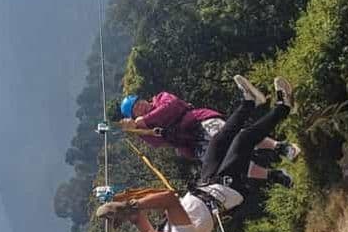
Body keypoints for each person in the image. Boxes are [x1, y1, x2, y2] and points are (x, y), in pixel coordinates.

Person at [97, 76, 296, 232]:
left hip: (208, 183)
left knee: (219, 139)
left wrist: (119, 208)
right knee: (242, 141)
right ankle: (284, 107)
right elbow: (169, 199)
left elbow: (138, 217)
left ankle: (249, 102)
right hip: (227, 189)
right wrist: (130, 205)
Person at [118, 75, 299, 184]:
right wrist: (136, 130)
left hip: (199, 121)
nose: (140, 107)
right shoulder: (147, 128)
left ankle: (280, 147)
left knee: (238, 136)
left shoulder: (160, 99)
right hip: (192, 144)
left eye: (138, 103)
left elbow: (172, 107)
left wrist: (145, 119)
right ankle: (274, 175)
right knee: (229, 163)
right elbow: (156, 142)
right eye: (135, 110)